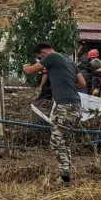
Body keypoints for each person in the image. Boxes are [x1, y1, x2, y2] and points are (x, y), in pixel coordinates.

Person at [23, 42, 86, 185]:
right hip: (76, 105)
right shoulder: (69, 61)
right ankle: (66, 174)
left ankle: (65, 177)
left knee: (56, 142)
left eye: (40, 58)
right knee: (65, 140)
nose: (41, 61)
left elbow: (30, 70)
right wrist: (66, 84)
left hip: (64, 105)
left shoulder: (52, 57)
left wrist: (25, 66)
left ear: (43, 54)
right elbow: (82, 84)